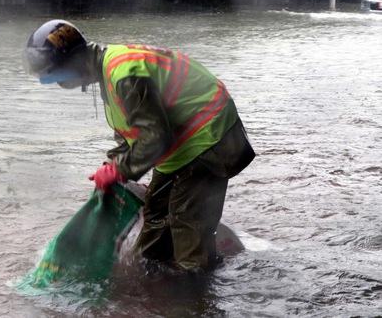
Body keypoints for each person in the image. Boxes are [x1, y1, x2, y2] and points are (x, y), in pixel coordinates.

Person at [23, 19, 255, 272]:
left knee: (186, 221)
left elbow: (155, 139)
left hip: (208, 135)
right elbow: (131, 131)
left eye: (57, 76)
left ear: (74, 63)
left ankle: (195, 292)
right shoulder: (107, 73)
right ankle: (157, 275)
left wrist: (117, 171)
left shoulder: (124, 74)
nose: (59, 84)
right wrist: (112, 165)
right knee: (155, 215)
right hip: (180, 139)